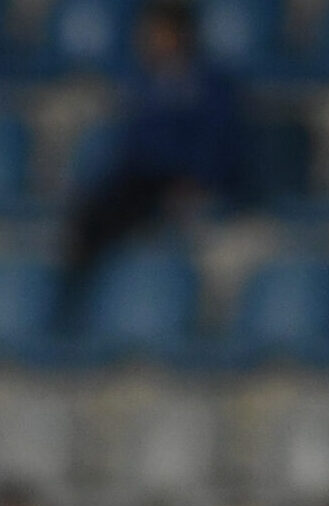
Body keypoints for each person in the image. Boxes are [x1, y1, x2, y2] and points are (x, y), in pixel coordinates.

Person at [57, 0, 244, 325]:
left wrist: (199, 181)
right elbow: (131, 146)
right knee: (91, 214)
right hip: (141, 180)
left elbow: (219, 142)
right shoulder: (145, 84)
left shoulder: (210, 86)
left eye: (159, 33)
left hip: (182, 180)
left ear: (181, 34)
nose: (151, 40)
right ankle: (71, 307)